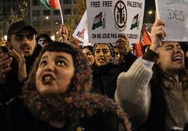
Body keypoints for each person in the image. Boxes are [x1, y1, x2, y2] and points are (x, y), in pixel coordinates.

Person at [0, 42, 132, 131]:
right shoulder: (14, 112)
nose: (49, 67)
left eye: (60, 62)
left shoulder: (104, 119)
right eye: (43, 62)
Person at [115, 19, 188, 131]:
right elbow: (128, 101)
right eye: (169, 48)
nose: (177, 50)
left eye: (179, 47)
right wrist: (153, 48)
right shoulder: (148, 87)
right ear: (157, 59)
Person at [0, 20, 42, 102]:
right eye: (19, 38)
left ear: (35, 43)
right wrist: (1, 83)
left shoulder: (44, 67)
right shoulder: (4, 67)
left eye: (30, 38)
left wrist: (24, 81)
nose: (26, 42)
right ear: (8, 45)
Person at [92, 34, 137, 99]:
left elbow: (137, 72)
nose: (101, 54)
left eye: (105, 51)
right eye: (97, 51)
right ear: (94, 56)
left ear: (111, 56)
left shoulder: (119, 72)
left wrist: (128, 54)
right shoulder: (88, 74)